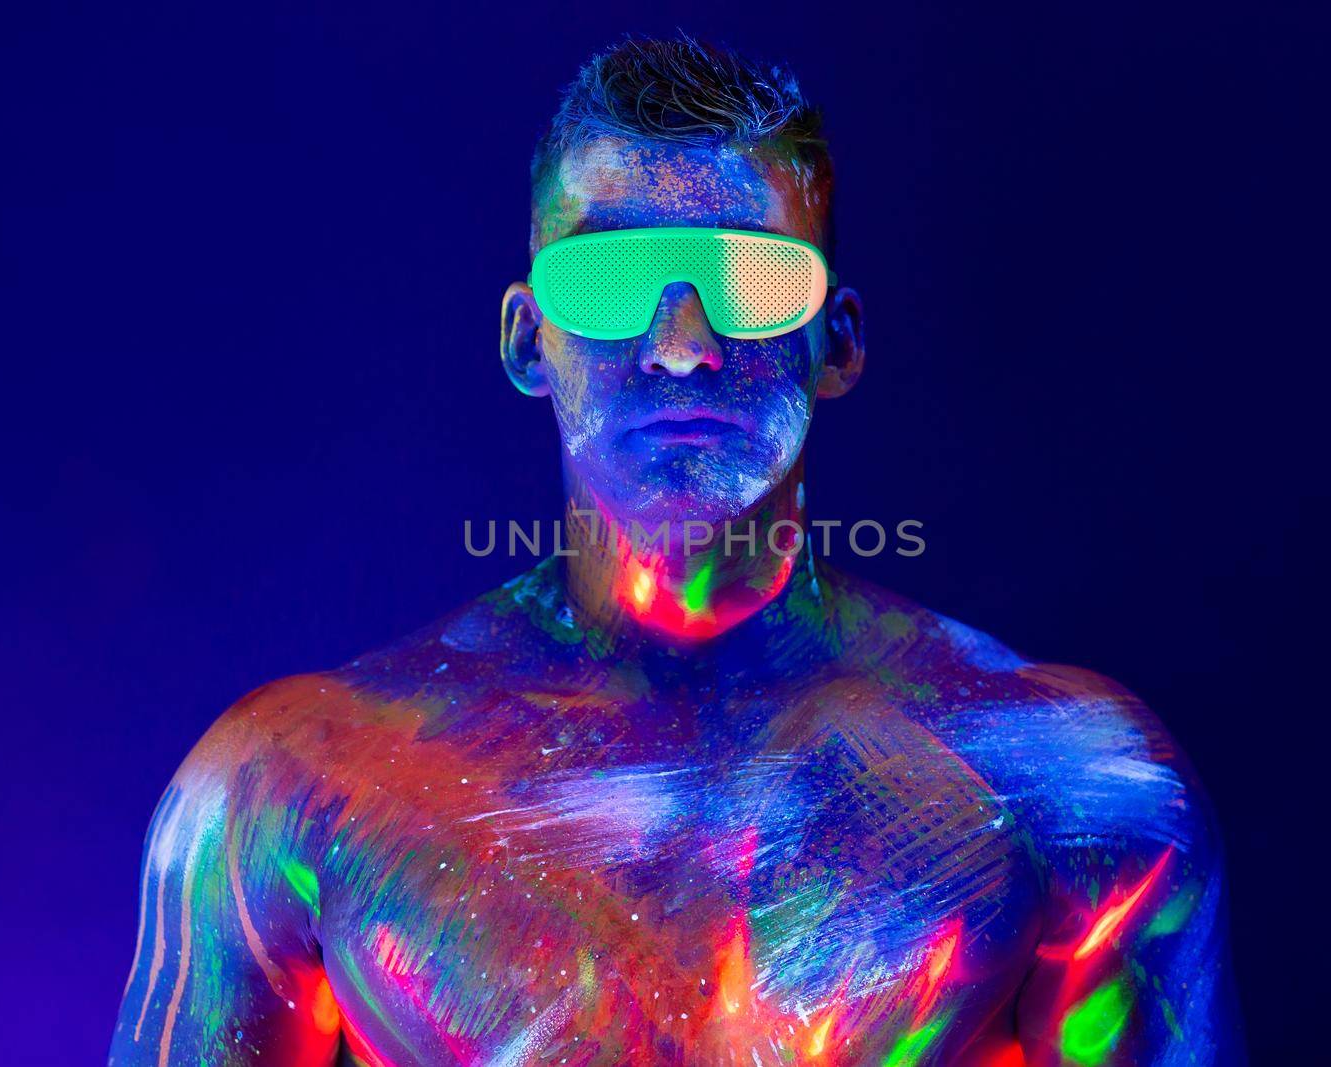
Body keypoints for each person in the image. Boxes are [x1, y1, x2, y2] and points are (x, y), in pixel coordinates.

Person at [110, 36, 1239, 1067]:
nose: (682, 343)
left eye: (751, 279)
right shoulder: (289, 794)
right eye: (607, 279)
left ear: (836, 341)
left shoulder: (1070, 787)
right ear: (526, 340)